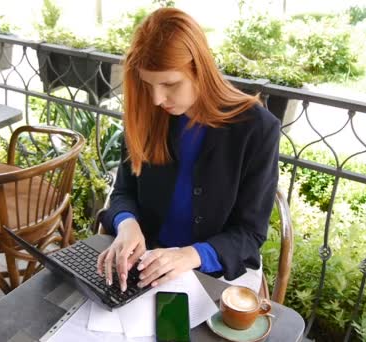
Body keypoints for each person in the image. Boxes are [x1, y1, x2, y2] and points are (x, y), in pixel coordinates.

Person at [95, 7, 280, 294]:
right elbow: (123, 191)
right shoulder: (148, 112)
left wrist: (189, 255)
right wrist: (127, 224)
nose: (157, 99)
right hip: (146, 264)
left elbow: (249, 233)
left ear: (200, 69)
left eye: (170, 83)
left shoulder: (256, 129)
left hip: (216, 274)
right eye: (149, 84)